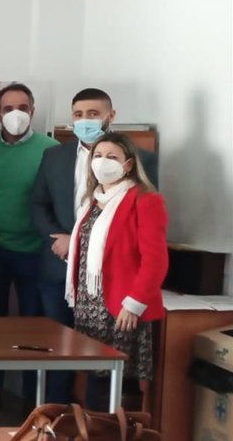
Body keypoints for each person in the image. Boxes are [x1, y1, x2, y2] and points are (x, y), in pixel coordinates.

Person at [30, 88, 159, 404]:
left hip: (113, 290)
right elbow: (38, 203)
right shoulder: (58, 160)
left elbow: (150, 248)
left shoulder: (143, 172)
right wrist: (63, 239)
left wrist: (134, 302)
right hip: (62, 273)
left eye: (93, 114)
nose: (85, 120)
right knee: (60, 350)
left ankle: (99, 423)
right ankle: (57, 416)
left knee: (105, 369)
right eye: (78, 115)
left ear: (110, 116)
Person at [65, 132, 167, 410]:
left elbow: (156, 260)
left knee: (120, 379)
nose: (102, 161)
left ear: (128, 164)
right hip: (90, 305)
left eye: (112, 157)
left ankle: (119, 429)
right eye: (98, 156)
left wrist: (134, 304)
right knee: (96, 377)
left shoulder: (145, 199)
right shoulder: (92, 201)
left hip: (122, 306)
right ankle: (95, 427)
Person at [0, 83, 59, 319]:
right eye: (8, 109)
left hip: (35, 249)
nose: (16, 114)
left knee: (34, 318)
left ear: (32, 111)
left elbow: (57, 199)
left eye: (23, 107)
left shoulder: (51, 149)